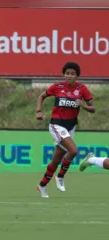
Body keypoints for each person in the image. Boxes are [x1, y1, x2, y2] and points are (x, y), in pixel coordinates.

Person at [35, 62, 95, 198]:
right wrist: (39, 111)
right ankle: (60, 177)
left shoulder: (82, 89)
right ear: (64, 74)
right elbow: (41, 96)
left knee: (56, 159)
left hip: (71, 126)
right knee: (73, 150)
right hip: (57, 125)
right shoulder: (57, 87)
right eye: (67, 73)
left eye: (72, 74)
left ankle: (42, 185)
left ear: (77, 76)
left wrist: (83, 105)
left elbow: (93, 108)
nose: (69, 76)